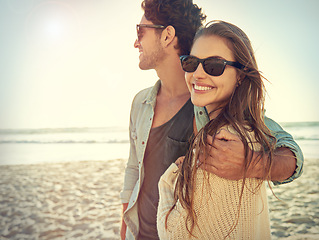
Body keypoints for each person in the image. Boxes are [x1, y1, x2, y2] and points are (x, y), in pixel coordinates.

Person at [120, 0, 303, 239]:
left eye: (140, 31)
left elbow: (291, 152)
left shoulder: (218, 106)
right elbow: (134, 168)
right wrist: (125, 229)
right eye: (192, 63)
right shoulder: (141, 102)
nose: (136, 41)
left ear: (167, 35)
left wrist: (252, 163)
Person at [157, 20, 281, 239]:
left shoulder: (223, 144)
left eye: (214, 65)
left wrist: (169, 179)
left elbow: (175, 234)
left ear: (241, 75)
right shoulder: (250, 130)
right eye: (191, 63)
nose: (197, 74)